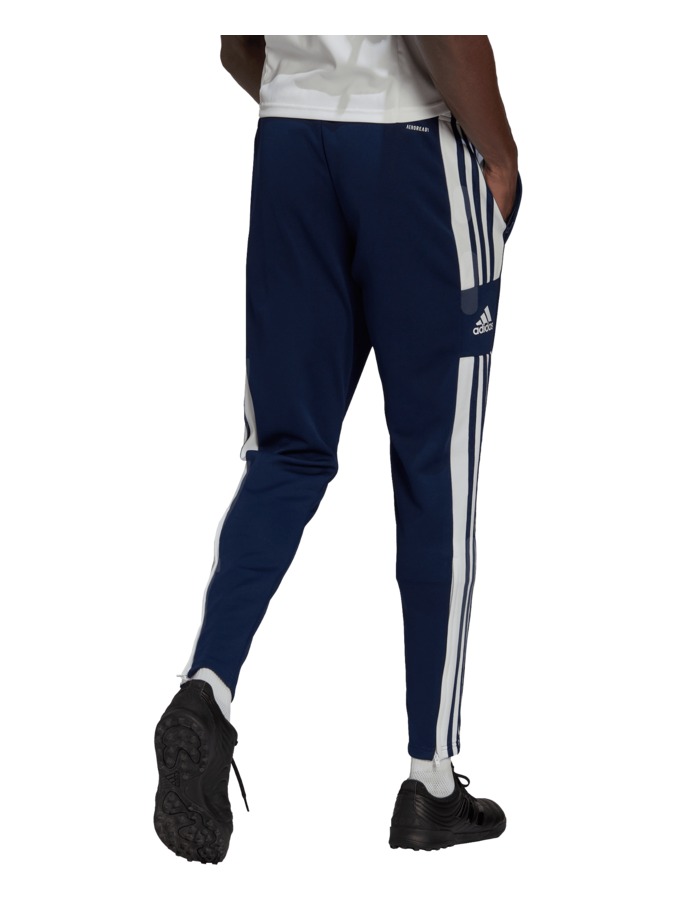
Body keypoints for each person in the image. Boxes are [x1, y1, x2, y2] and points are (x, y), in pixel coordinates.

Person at [153, 34, 523, 863]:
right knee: (434, 467)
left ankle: (207, 687)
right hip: (413, 148)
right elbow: (441, 30)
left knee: (284, 452)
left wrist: (311, 106)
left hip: (289, 142)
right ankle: (430, 783)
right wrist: (500, 159)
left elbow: (236, 46)